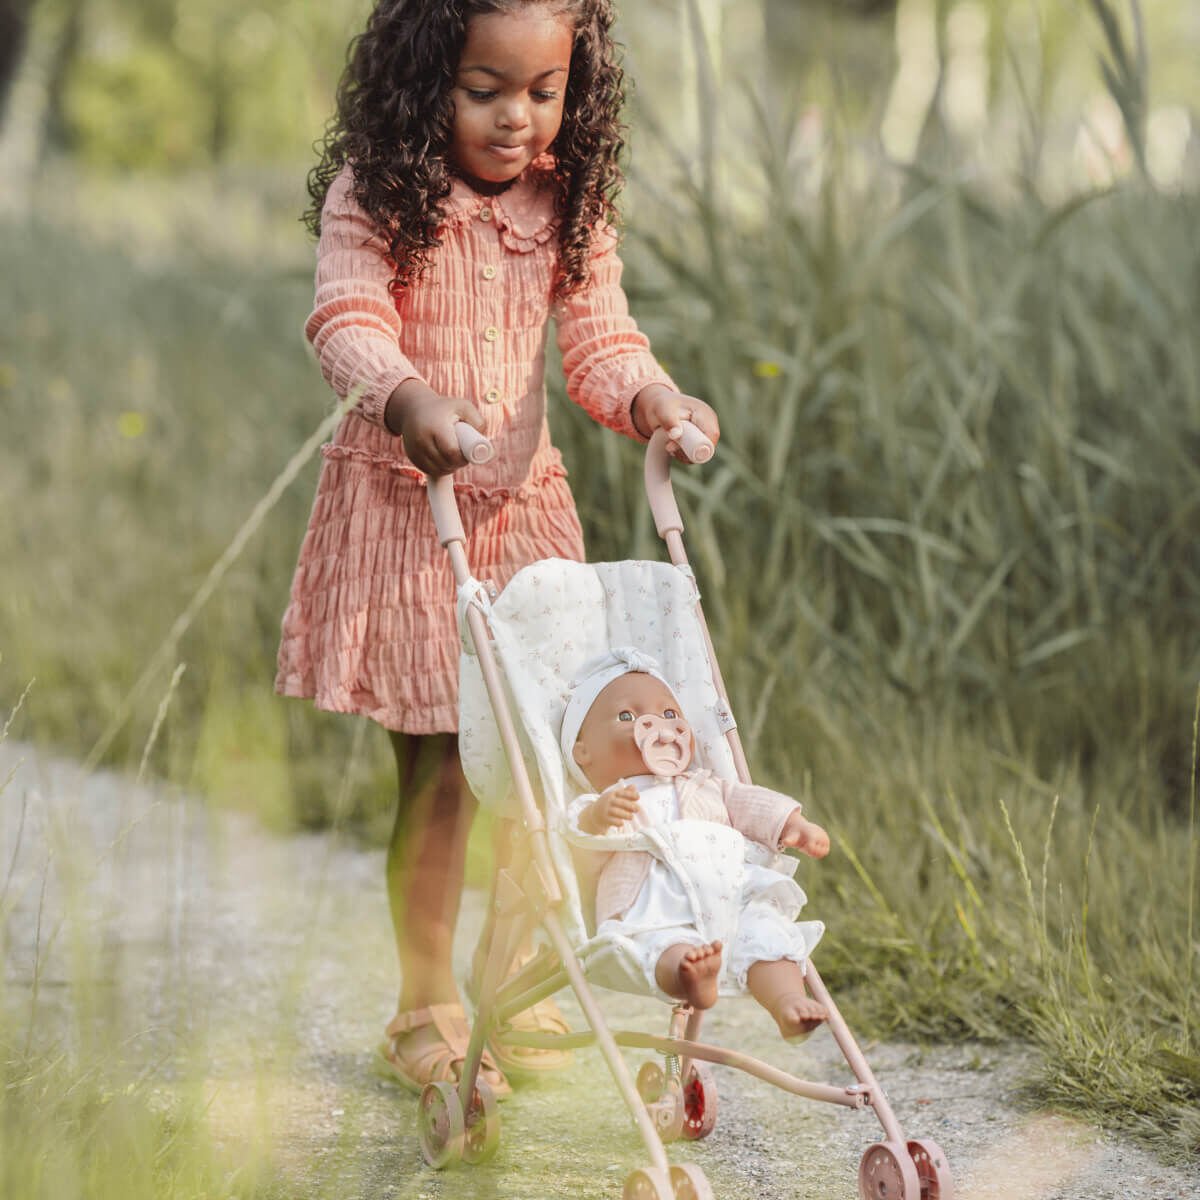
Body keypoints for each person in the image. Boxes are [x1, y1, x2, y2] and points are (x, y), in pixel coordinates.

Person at [275, 0, 720, 1098]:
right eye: (485, 90)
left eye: (544, 91)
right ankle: (424, 1003)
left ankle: (514, 982)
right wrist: (403, 391)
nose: (518, 119)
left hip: (525, 528)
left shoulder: (567, 201)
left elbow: (600, 338)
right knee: (439, 779)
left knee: (548, 770)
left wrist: (652, 397)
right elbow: (345, 316)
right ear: (425, 78)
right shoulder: (377, 195)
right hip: (410, 519)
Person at [560, 649, 829, 1039]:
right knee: (660, 946)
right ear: (582, 752)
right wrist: (598, 817)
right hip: (654, 906)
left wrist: (792, 823)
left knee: (765, 932)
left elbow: (746, 801)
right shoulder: (605, 800)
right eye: (627, 717)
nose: (657, 728)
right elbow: (579, 847)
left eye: (670, 714)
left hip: (730, 896)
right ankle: (688, 976)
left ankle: (787, 1001)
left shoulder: (704, 785)